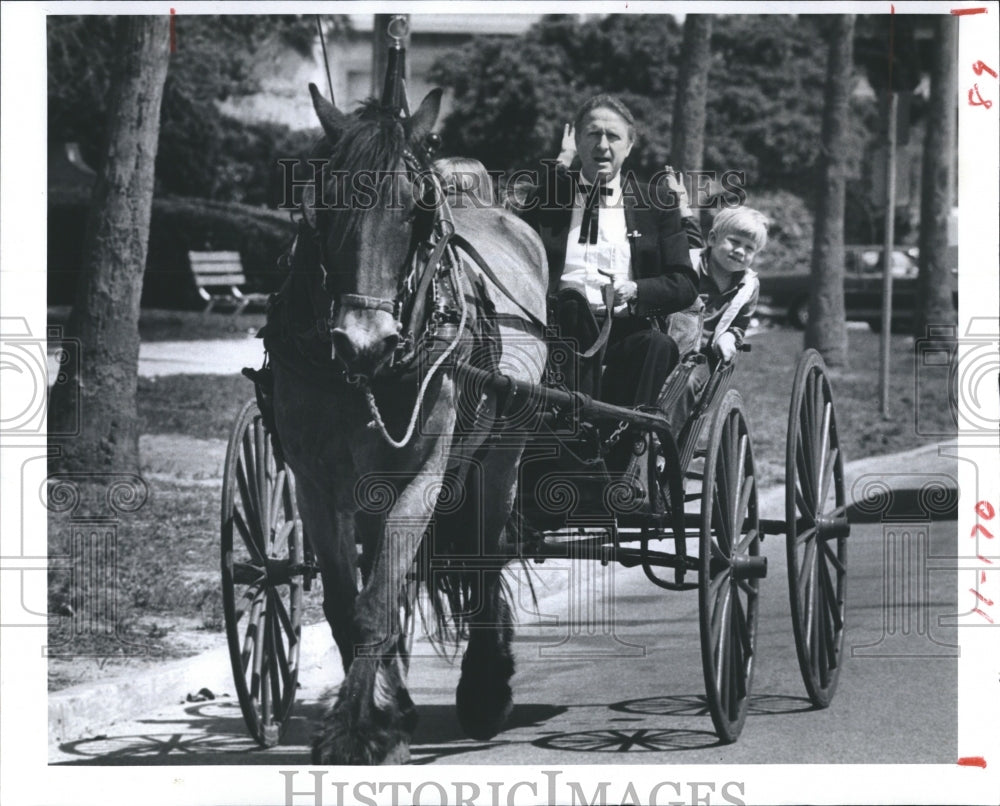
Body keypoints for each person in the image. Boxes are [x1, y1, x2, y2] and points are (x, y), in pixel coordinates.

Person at [519, 95, 698, 413]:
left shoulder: (658, 204)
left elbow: (684, 284)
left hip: (623, 331)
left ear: (629, 146)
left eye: (613, 136)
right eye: (593, 134)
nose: (602, 145)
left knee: (657, 346)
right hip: (557, 331)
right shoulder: (545, 200)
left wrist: (636, 289)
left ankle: (623, 436)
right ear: (577, 141)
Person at [661, 202, 769, 436]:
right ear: (712, 238)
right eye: (734, 241)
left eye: (749, 248)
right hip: (670, 343)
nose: (740, 251)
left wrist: (730, 336)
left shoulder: (748, 285)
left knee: (687, 382)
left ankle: (661, 442)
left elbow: (740, 324)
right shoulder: (687, 263)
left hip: (703, 357)